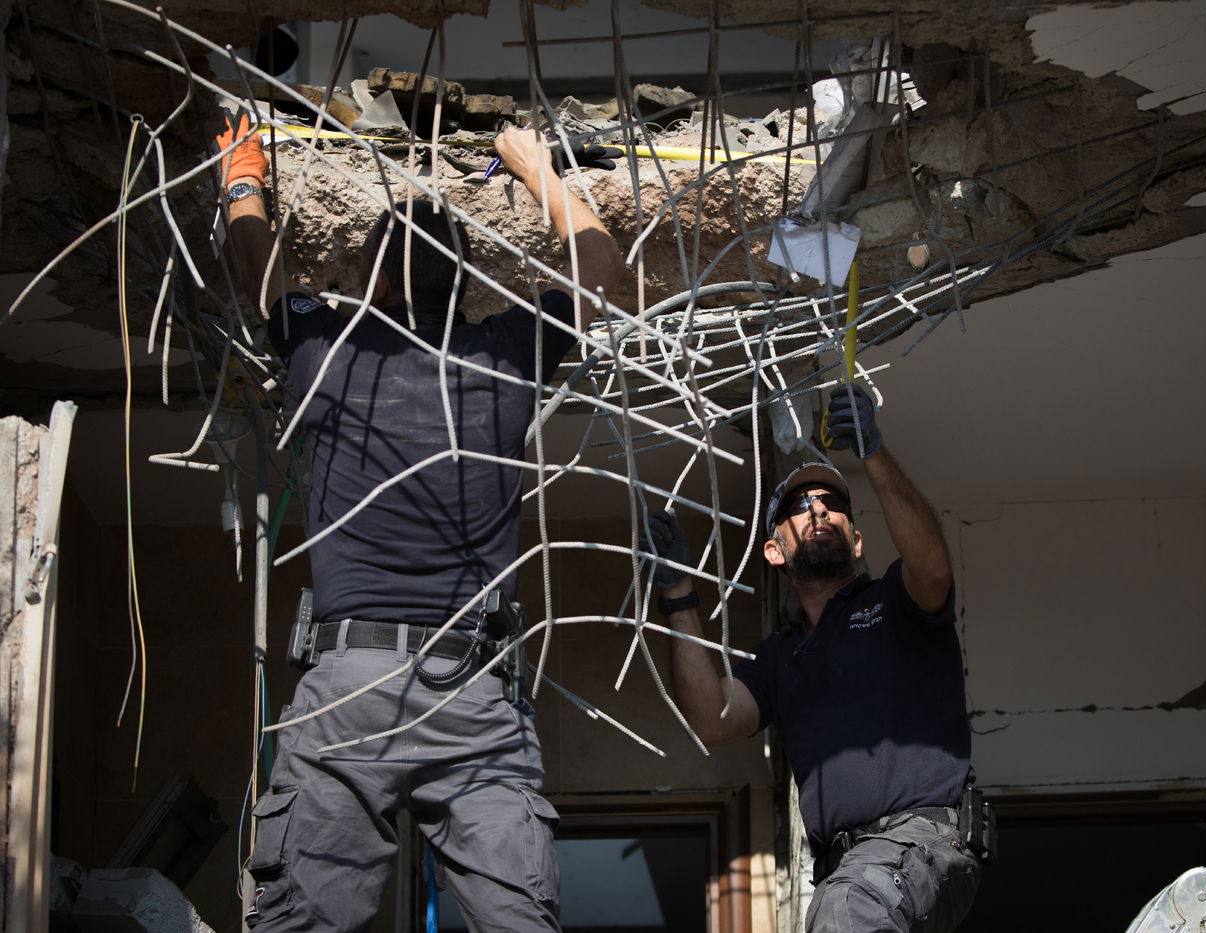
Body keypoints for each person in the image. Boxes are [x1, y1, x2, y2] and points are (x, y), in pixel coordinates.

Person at [215, 113, 624, 930]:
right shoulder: (503, 355)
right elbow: (600, 265)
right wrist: (536, 167)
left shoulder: (325, 350)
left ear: (377, 278)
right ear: (463, 282)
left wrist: (241, 176)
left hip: (348, 694)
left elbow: (255, 262)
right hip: (469, 694)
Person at [644, 385, 983, 932]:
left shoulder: (894, 601)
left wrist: (872, 450)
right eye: (801, 506)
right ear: (774, 550)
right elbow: (713, 718)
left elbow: (934, 568)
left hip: (916, 845)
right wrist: (678, 596)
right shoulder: (781, 655)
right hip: (855, 871)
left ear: (856, 541)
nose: (820, 507)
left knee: (846, 911)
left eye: (834, 503)